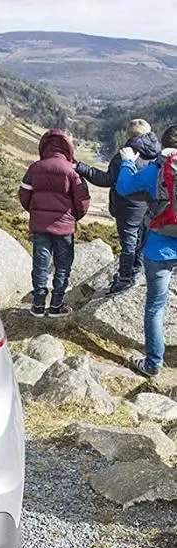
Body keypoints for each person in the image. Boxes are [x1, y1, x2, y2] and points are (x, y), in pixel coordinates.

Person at [116, 124, 177, 378]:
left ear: (163, 145)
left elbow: (124, 187)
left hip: (159, 248)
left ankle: (152, 364)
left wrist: (128, 162)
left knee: (155, 307)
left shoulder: (156, 169)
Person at [76, 119, 161, 295]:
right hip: (149, 207)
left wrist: (81, 167)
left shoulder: (124, 155)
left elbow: (106, 180)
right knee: (142, 242)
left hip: (127, 209)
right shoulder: (157, 154)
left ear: (128, 136)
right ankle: (136, 273)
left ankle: (124, 279)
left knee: (128, 245)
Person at [19, 129, 91, 318]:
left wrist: (35, 212)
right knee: (63, 265)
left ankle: (38, 305)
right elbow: (83, 201)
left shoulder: (35, 168)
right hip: (64, 227)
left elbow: (24, 194)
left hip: (40, 226)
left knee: (40, 264)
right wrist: (73, 217)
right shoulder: (71, 171)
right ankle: (56, 305)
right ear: (68, 147)